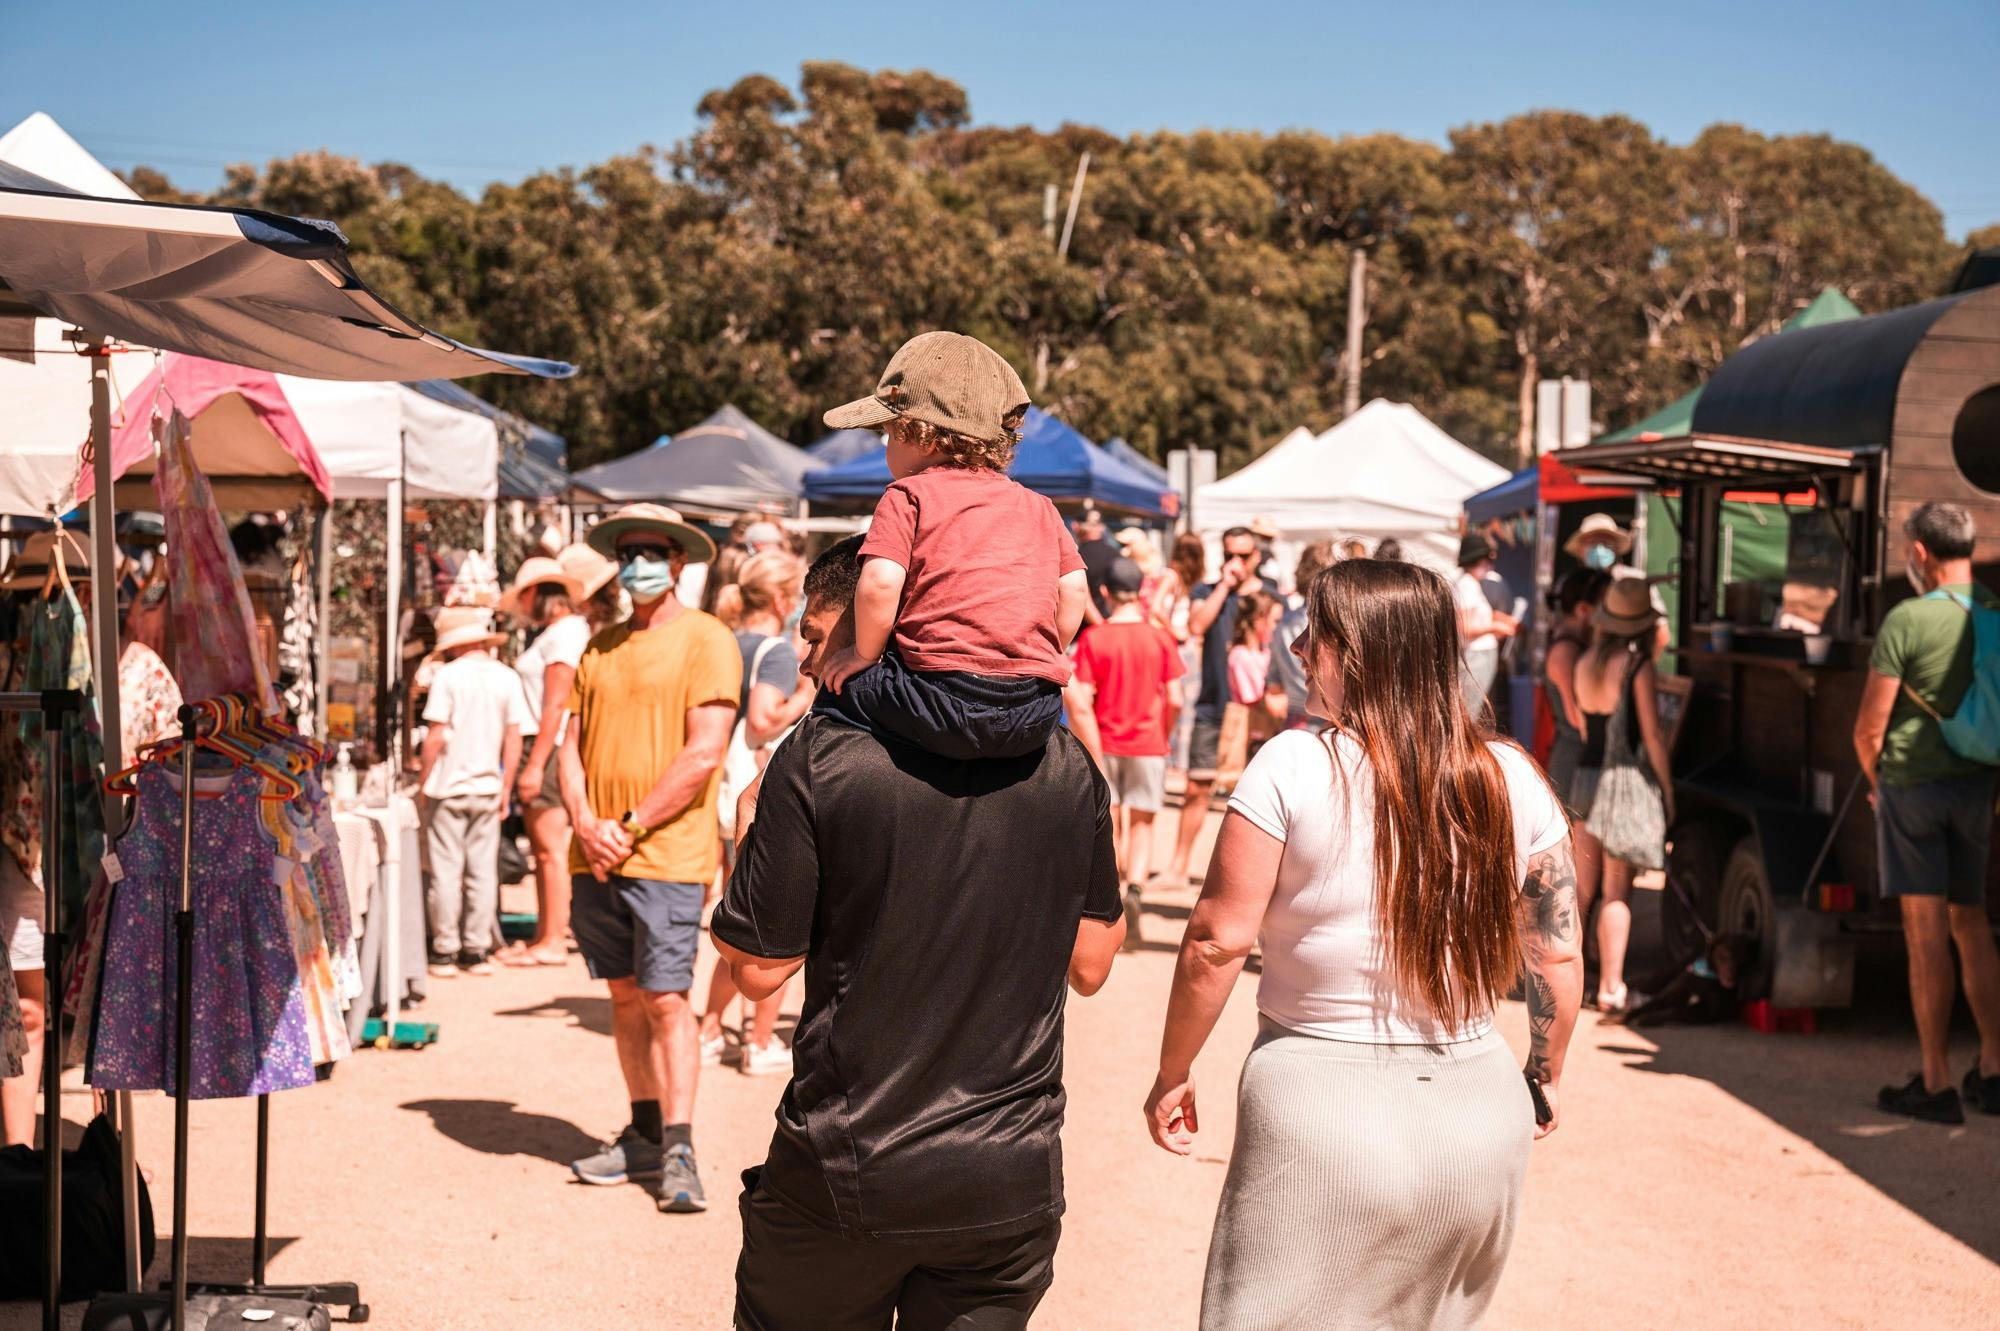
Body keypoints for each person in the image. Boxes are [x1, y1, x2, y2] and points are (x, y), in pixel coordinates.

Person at [1145, 558, 1583, 1331]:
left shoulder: (1292, 764)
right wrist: (1541, 1075)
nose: (1301, 647)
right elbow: (1557, 954)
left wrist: (1173, 1070)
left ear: (1363, 652)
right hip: (1478, 1112)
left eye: (1319, 635)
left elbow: (1216, 940)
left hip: (1318, 1106)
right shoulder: (1512, 776)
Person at [712, 536, 1126, 1329]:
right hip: (1007, 1174)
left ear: (880, 620)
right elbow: (1095, 960)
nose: (802, 657)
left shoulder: (818, 758)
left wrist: (746, 832)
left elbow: (758, 972)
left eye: (813, 632)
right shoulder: (1065, 762)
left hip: (849, 1166)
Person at [560, 502, 740, 1213]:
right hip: (596, 855)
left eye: (651, 550)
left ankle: (680, 1145)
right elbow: (567, 749)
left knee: (669, 999)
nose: (637, 561)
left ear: (677, 563)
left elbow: (705, 750)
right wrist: (583, 821)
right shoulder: (598, 646)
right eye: (626, 549)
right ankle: (641, 1130)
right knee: (624, 995)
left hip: (664, 854)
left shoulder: (707, 639)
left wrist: (626, 826)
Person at [815, 330, 1090, 760]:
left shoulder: (907, 495)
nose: (886, 445)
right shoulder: (1041, 506)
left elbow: (880, 585)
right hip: (1035, 706)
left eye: (888, 431)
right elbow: (1073, 590)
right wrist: (1036, 652)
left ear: (919, 434)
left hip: (939, 698)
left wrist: (862, 654)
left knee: (831, 695)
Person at [1853, 501, 2000, 1123]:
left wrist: (1874, 780)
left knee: (1924, 932)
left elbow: (1869, 728)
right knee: (1973, 924)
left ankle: (1936, 1082)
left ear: (1920, 553)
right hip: (1979, 788)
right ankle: (1993, 1069)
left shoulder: (1908, 619)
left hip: (1913, 786)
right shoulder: (1994, 613)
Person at [698, 548, 813, 1077]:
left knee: (737, 912)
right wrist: (808, 693)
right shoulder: (777, 651)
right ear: (780, 598)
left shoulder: (725, 640)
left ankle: (708, 1028)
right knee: (775, 925)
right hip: (759, 786)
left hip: (723, 788)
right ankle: (760, 1040)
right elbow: (765, 718)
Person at [504, 545, 619, 967]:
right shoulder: (561, 632)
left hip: (546, 745)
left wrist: (535, 764)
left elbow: (557, 702)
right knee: (543, 848)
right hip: (543, 743)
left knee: (549, 848)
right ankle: (545, 933)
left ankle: (552, 938)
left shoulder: (566, 632)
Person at [1067, 556, 1185, 946]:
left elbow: (1080, 697)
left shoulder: (1094, 639)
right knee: (1144, 823)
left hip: (1105, 740)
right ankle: (1137, 889)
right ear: (1140, 590)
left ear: (1104, 592)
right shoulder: (1159, 638)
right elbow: (1177, 698)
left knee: (1110, 821)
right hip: (1149, 743)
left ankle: (1111, 899)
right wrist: (1162, 732)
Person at [1571, 577, 1674, 1014]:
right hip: (1620, 783)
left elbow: (1581, 726)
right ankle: (1612, 987)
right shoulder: (1636, 667)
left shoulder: (1585, 661)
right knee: (1617, 891)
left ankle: (1567, 981)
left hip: (1582, 779)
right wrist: (1668, 789)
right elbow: (1650, 734)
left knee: (1579, 892)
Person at [418, 608, 529, 977]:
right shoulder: (507, 678)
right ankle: (476, 949)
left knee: (446, 872)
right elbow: (514, 736)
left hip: (448, 788)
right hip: (487, 786)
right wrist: (507, 785)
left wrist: (423, 780)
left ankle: (445, 949)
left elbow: (436, 735)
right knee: (482, 872)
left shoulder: (447, 677)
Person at [1166, 526, 1270, 885]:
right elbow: (1195, 625)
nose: (1235, 562)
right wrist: (1225, 586)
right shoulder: (1208, 591)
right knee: (1197, 788)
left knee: (1258, 799)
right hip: (1213, 705)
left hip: (1254, 712)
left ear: (1256, 556)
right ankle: (1178, 868)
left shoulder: (1268, 594)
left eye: (1243, 555)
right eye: (1229, 555)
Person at [1542, 568, 1612, 956]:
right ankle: (1571, 955)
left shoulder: (1574, 644)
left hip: (1573, 760)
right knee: (1577, 871)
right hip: (1572, 763)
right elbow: (1577, 719)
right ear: (1584, 609)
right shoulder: (1567, 650)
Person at [1268, 540, 1337, 730]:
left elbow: (1273, 679)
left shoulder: (1284, 621)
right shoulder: (1333, 625)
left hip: (1296, 719)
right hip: (1328, 718)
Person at [1452, 534, 1518, 719]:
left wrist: (1498, 620)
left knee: (1476, 709)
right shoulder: (1466, 585)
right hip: (1476, 656)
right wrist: (1494, 627)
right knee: (1470, 712)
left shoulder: (1472, 584)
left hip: (1480, 655)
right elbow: (1464, 628)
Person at [1073, 507, 1120, 621]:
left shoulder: (1076, 557)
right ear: (1101, 527)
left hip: (1087, 630)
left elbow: (1080, 593)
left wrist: (1100, 626)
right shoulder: (1116, 554)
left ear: (1076, 526)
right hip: (1115, 623)